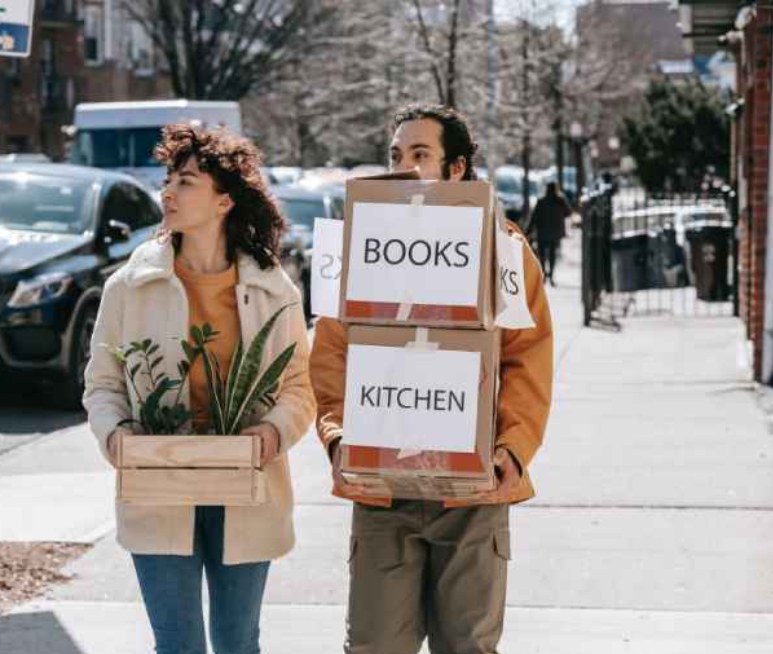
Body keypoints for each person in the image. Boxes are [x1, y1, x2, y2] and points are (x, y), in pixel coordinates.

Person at [310, 104, 554, 654]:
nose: (404, 166)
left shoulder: (505, 250)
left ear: (457, 169)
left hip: (473, 490)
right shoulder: (360, 245)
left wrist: (511, 450)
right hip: (380, 489)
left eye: (421, 155)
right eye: (396, 155)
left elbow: (528, 359)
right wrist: (337, 437)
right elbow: (329, 355)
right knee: (373, 645)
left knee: (467, 646)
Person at [83, 124, 316, 654]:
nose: (168, 191)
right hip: (158, 479)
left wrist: (271, 436)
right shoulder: (130, 285)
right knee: (178, 645)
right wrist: (114, 436)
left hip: (246, 481)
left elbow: (298, 387)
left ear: (224, 201)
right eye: (168, 179)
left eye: (186, 181)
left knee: (238, 643)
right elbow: (102, 383)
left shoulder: (273, 288)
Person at [527, 181, 572, 286]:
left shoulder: (541, 201)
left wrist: (528, 230)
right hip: (555, 232)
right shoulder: (560, 201)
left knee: (542, 255)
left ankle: (543, 274)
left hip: (542, 231)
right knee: (552, 255)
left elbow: (534, 217)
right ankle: (551, 276)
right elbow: (568, 212)